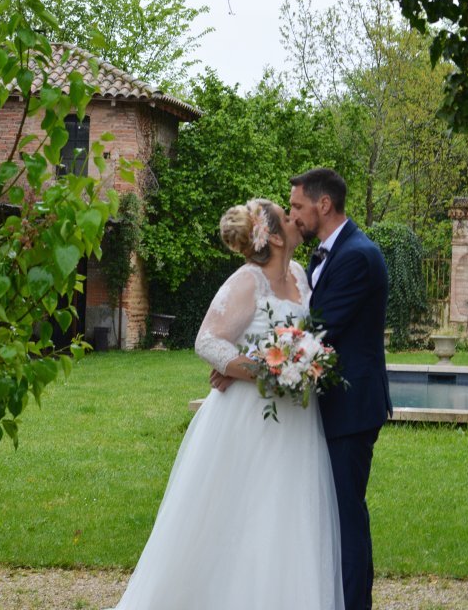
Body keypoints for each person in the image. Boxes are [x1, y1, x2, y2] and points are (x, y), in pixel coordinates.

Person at [106, 199, 343, 610]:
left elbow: (306, 336)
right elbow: (207, 340)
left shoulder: (301, 276)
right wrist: (257, 369)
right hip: (249, 417)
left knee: (289, 516)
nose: (293, 220)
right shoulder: (247, 281)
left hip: (297, 421)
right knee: (240, 515)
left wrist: (303, 360)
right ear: (270, 234)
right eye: (285, 217)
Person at [289, 168, 391, 610]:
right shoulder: (325, 254)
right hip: (329, 406)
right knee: (330, 514)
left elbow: (318, 328)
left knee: (346, 516)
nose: (293, 216)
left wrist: (245, 362)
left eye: (297, 206)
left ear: (323, 204)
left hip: (350, 408)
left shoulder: (356, 256)